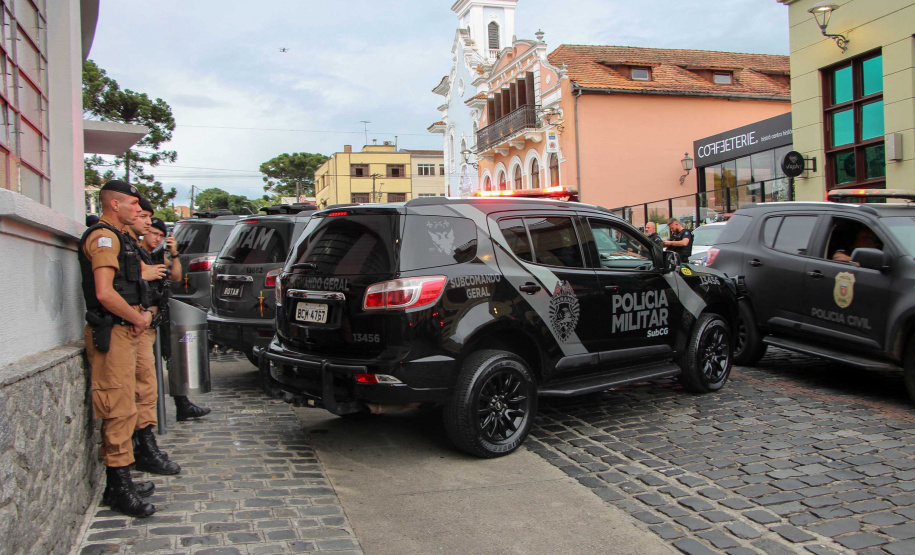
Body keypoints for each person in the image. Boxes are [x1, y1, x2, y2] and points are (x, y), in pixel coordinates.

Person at [78, 180, 156, 518]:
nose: (138, 211)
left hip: (127, 330)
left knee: (130, 402)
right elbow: (105, 293)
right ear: (114, 205)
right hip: (115, 332)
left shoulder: (121, 238)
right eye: (133, 205)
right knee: (118, 408)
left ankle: (122, 479)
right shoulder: (104, 237)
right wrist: (137, 319)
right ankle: (118, 486)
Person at [125, 199, 182, 477]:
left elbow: (174, 278)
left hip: (145, 322)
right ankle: (137, 452)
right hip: (133, 326)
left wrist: (174, 254)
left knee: (147, 388)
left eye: (149, 217)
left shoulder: (138, 248)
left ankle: (143, 447)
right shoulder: (117, 243)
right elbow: (110, 287)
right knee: (139, 390)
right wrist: (141, 317)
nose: (147, 222)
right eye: (142, 216)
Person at [138, 214, 211, 421]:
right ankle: (149, 416)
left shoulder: (157, 254)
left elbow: (177, 276)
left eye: (161, 235)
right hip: (144, 314)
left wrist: (174, 253)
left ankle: (183, 404)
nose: (156, 238)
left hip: (161, 312)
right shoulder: (138, 253)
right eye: (154, 233)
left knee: (173, 357)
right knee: (148, 366)